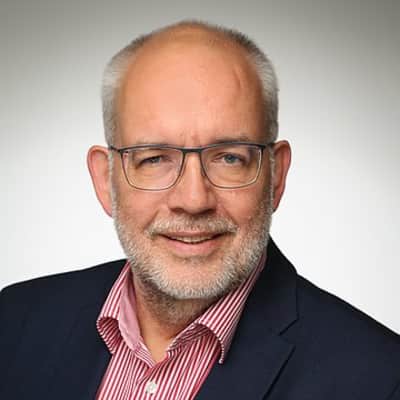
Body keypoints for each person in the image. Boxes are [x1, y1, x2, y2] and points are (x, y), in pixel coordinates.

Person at [1, 20, 399, 400]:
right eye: (154, 158)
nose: (193, 200)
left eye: (229, 158)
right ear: (105, 180)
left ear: (276, 176)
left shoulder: (380, 380)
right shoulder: (14, 323)